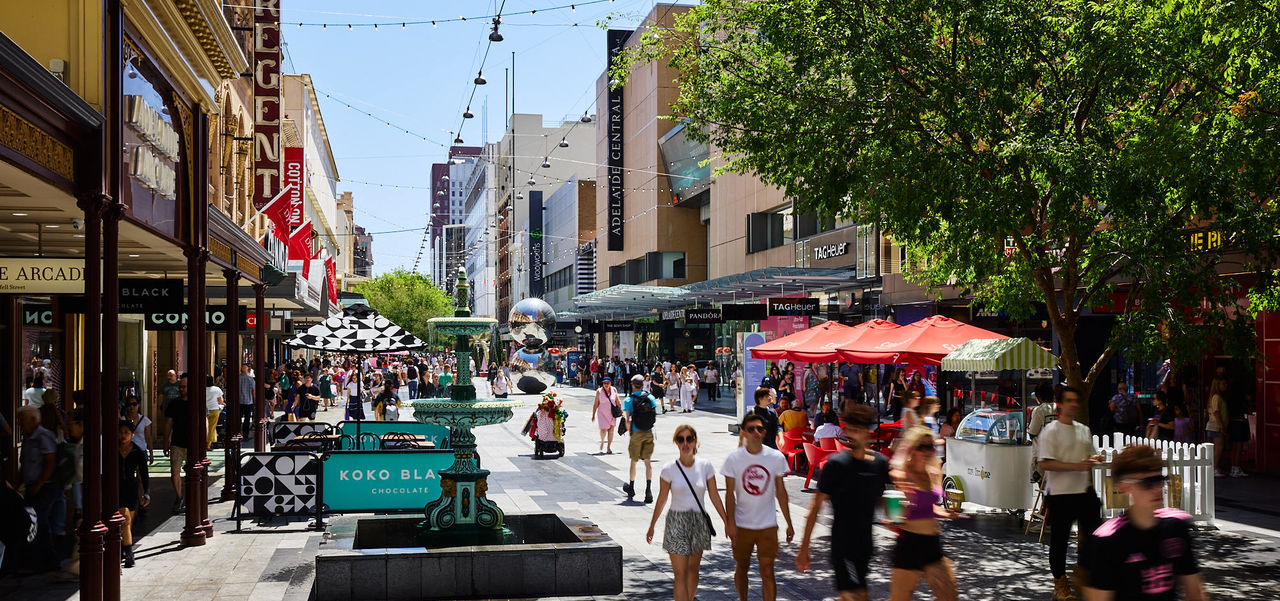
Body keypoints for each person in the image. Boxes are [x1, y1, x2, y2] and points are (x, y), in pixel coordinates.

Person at [1085, 444, 1207, 601]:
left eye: (1160, 480)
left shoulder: (1176, 526)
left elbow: (1195, 592)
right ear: (1124, 486)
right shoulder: (1107, 540)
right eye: (1147, 483)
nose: (1158, 489)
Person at [646, 424, 728, 601]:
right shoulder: (669, 469)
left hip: (698, 522)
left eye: (689, 439)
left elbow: (714, 496)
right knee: (680, 574)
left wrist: (726, 521)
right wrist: (652, 525)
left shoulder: (705, 466)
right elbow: (662, 499)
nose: (685, 443)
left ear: (695, 441)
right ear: (676, 442)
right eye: (681, 439)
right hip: (676, 522)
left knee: (693, 571)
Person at [1039, 385, 1103, 601]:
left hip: (1083, 492)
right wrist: (1077, 466)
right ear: (1060, 404)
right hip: (1059, 494)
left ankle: (1083, 572)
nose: (1074, 404)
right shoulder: (1051, 431)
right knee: (1060, 540)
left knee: (1096, 534)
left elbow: (1090, 457)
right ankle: (1060, 583)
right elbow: (1046, 463)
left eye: (1076, 400)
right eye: (1069, 400)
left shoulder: (1084, 430)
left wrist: (1095, 460)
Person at [723, 412, 794, 601]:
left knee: (767, 570)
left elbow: (781, 492)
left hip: (768, 525)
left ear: (764, 432)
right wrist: (729, 522)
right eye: (751, 429)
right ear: (743, 432)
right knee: (742, 567)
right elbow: (729, 495)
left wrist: (789, 522)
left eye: (760, 429)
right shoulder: (733, 459)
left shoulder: (775, 457)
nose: (756, 432)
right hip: (742, 524)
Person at [887, 426, 961, 601]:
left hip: (932, 545)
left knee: (950, 597)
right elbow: (898, 512)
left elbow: (929, 507)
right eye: (922, 446)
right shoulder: (903, 475)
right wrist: (896, 517)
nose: (927, 451)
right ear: (912, 448)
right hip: (909, 544)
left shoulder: (934, 471)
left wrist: (944, 512)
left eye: (930, 446)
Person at [17, 405, 59, 572]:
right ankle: (36, 559)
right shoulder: (27, 438)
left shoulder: (44, 436)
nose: (20, 423)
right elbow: (24, 464)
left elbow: (50, 462)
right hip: (30, 486)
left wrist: (40, 483)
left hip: (45, 487)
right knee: (30, 521)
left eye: (22, 420)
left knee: (39, 521)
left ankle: (49, 560)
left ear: (34, 419)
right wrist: (17, 485)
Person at [116, 420, 149, 568]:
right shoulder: (112, 450)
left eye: (126, 433)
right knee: (125, 518)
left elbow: (144, 474)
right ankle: (129, 553)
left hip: (131, 488)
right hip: (116, 488)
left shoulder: (137, 452)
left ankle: (124, 549)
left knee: (128, 521)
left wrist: (146, 493)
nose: (123, 436)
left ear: (132, 434)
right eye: (121, 432)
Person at [623, 374, 659, 503]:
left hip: (636, 432)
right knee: (647, 462)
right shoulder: (650, 397)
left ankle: (631, 487)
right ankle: (648, 491)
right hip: (648, 432)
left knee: (634, 461)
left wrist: (630, 432)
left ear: (632, 385)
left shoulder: (629, 400)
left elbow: (627, 420)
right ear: (643, 384)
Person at [163, 374, 193, 513]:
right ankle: (179, 497)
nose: (181, 389)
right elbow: (168, 423)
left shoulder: (196, 402)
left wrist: (204, 441)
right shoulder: (174, 403)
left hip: (192, 443)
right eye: (180, 387)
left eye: (184, 387)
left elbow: (204, 421)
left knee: (192, 472)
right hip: (176, 443)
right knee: (175, 472)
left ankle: (191, 498)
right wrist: (165, 442)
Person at [1225, 379, 1251, 478]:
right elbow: (1247, 410)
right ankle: (1236, 467)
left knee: (1233, 447)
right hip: (1240, 423)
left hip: (1232, 423)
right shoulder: (1241, 398)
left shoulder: (1229, 398)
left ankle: (1233, 468)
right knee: (1238, 447)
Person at [1205, 379, 1228, 477]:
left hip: (1215, 426)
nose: (1225, 385)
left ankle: (1216, 467)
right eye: (1223, 383)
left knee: (1217, 448)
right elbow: (1216, 412)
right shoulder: (1216, 397)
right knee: (1219, 447)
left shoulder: (1216, 397)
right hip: (1215, 426)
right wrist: (1221, 425)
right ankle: (1214, 468)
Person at [592, 377, 620, 454]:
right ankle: (602, 441)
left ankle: (608, 447)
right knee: (603, 429)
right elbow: (595, 404)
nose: (606, 385)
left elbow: (617, 401)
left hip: (612, 413)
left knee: (611, 430)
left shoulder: (614, 390)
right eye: (604, 383)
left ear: (610, 383)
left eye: (607, 383)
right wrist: (593, 415)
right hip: (602, 414)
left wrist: (622, 410)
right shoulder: (599, 391)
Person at [124, 395, 154, 464]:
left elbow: (148, 438)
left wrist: (151, 453)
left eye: (134, 404)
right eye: (129, 405)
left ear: (138, 405)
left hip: (141, 450)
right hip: (127, 451)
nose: (132, 407)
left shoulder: (144, 420)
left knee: (141, 473)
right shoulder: (123, 420)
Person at [204, 376, 224, 451]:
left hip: (205, 409)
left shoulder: (202, 389)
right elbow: (220, 400)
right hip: (214, 410)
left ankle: (203, 443)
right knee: (212, 428)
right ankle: (208, 445)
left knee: (204, 427)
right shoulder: (216, 389)